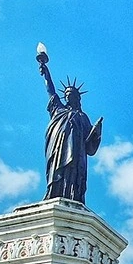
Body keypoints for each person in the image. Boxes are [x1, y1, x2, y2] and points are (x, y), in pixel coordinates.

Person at [38, 62, 103, 203]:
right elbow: (51, 91)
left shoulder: (83, 117)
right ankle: (53, 192)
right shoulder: (58, 109)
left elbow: (89, 143)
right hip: (58, 147)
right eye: (66, 94)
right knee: (56, 171)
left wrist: (96, 133)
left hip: (77, 151)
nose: (67, 96)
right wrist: (46, 75)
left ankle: (73, 195)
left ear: (77, 98)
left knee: (74, 172)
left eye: (71, 94)